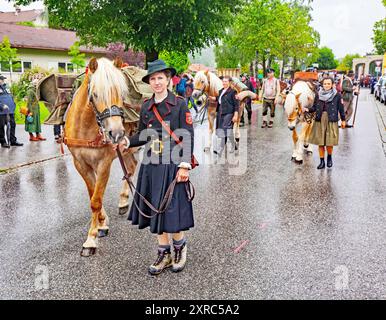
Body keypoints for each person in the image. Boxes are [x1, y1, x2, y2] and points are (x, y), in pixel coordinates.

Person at [115, 59, 195, 276]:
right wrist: (128, 142)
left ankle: (179, 247)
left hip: (172, 164)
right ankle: (164, 252)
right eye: (153, 79)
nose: (157, 82)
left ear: (168, 80)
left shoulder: (179, 104)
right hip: (151, 164)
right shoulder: (147, 106)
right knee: (155, 210)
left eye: (161, 78)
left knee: (171, 209)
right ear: (149, 82)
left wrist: (184, 166)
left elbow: (187, 135)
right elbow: (143, 133)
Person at [305, 77, 346, 169]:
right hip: (320, 120)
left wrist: (343, 120)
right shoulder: (318, 94)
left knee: (329, 142)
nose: (326, 85)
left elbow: (341, 109)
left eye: (328, 84)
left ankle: (329, 158)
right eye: (325, 84)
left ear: (332, 85)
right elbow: (315, 107)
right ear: (322, 84)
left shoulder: (337, 95)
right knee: (320, 142)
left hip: (331, 120)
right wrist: (307, 109)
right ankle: (322, 161)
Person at [211, 75, 239, 155]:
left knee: (225, 129)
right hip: (220, 112)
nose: (224, 83)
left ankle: (220, 149)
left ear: (229, 82)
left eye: (226, 81)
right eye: (223, 81)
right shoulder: (221, 91)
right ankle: (234, 145)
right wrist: (210, 97)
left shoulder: (233, 92)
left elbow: (236, 104)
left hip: (229, 113)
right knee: (225, 130)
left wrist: (235, 115)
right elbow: (218, 99)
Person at [0, 75, 23, 148]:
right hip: (1, 111)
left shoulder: (6, 87)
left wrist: (14, 104)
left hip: (10, 110)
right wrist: (2, 106)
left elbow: (10, 96)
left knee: (13, 125)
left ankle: (12, 141)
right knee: (1, 126)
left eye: (3, 79)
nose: (3, 81)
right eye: (1, 79)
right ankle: (3, 142)